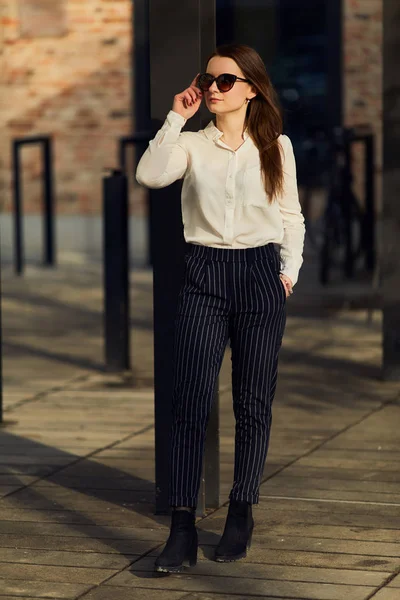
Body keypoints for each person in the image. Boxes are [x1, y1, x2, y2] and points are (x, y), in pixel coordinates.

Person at [136, 43, 305, 573]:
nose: (212, 87)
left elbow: (291, 216)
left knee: (253, 402)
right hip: (204, 274)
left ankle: (241, 510)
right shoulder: (191, 145)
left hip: (259, 276)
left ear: (251, 89)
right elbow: (149, 175)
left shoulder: (277, 146)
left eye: (226, 81)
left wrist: (288, 272)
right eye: (208, 79)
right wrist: (174, 117)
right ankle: (182, 526)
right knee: (190, 401)